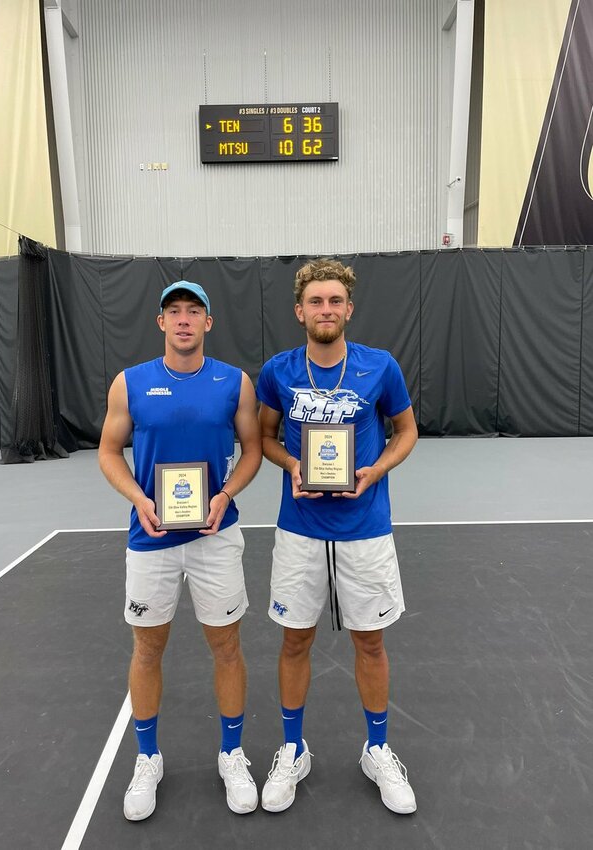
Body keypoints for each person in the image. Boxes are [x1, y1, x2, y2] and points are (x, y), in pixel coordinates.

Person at [256, 258, 418, 815]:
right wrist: (293, 466)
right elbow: (267, 436)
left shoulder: (381, 367)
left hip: (365, 529)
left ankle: (377, 748)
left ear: (349, 309)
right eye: (316, 301)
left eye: (335, 301)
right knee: (294, 640)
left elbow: (407, 430)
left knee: (370, 642)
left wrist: (375, 472)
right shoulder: (278, 370)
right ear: (299, 310)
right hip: (299, 529)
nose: (326, 310)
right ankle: (293, 748)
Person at [99, 280, 262, 820]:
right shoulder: (131, 383)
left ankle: (232, 754)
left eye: (195, 311)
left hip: (216, 537)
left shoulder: (233, 383)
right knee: (147, 650)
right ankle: (148, 758)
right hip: (151, 539)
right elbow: (108, 451)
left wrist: (226, 494)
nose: (185, 319)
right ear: (161, 322)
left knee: (227, 648)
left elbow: (253, 449)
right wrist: (139, 498)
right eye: (175, 312)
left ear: (208, 323)